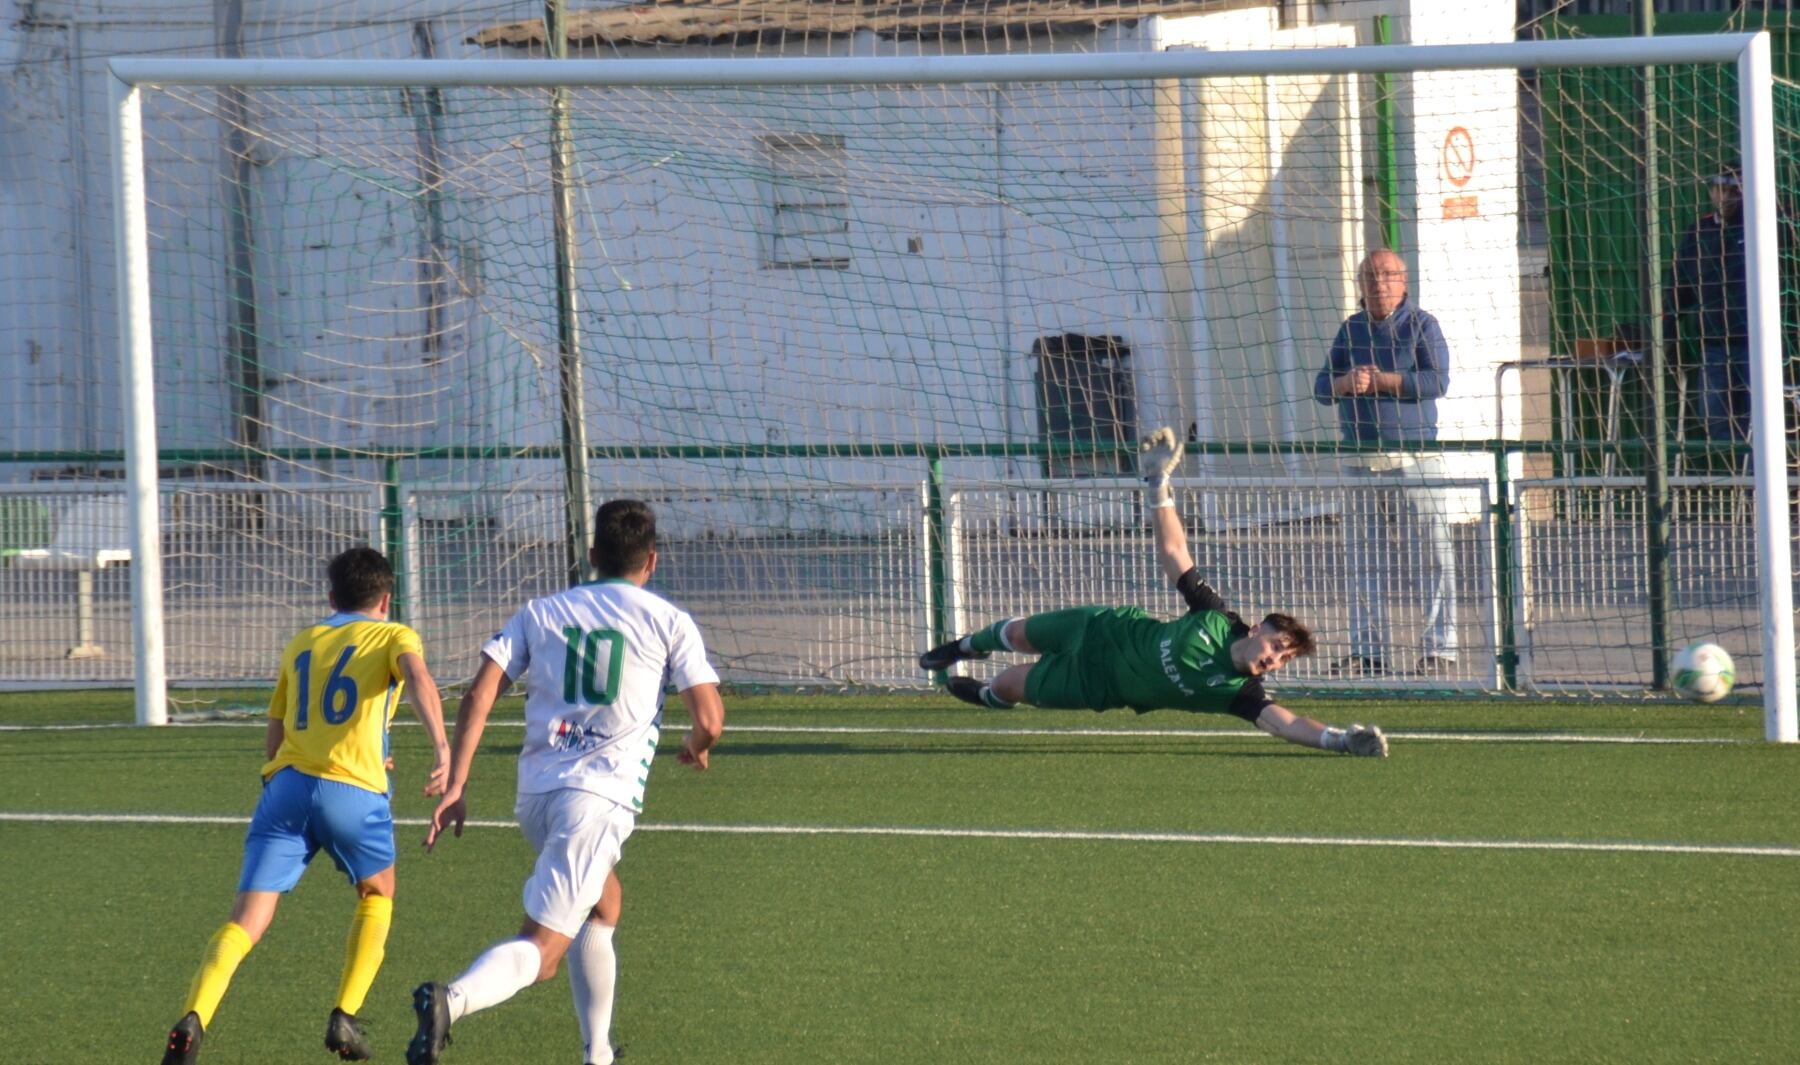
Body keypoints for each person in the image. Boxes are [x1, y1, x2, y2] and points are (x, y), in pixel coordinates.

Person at [405, 498, 726, 1065]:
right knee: (544, 952)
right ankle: (451, 1001)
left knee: (605, 906)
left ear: (592, 555)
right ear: (651, 563)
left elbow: (480, 693)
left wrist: (457, 782)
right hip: (596, 802)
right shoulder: (668, 621)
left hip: (536, 796)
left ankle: (598, 1053)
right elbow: (710, 720)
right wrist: (695, 749)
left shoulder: (541, 610)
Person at [919, 427, 1388, 758]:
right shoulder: (1217, 616)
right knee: (1020, 634)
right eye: (1276, 647)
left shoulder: (1239, 692)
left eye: (1283, 661)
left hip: (1097, 686)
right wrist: (1159, 486)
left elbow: (1283, 723)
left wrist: (1339, 740)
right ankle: (963, 647)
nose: (1274, 661)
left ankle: (983, 695)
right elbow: (1174, 551)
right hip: (1104, 630)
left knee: (1011, 684)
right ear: (1260, 626)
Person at [161, 547, 451, 1065]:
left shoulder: (302, 643)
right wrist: (442, 749)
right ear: (387, 599)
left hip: (286, 789)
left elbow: (275, 737)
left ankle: (194, 1017)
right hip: (353, 792)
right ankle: (345, 1014)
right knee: (377, 892)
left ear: (331, 597)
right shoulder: (394, 635)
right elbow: (418, 677)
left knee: (246, 919)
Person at [1311, 248, 1456, 678]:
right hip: (1360, 459)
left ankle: (1439, 649)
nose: (1379, 283)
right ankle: (1368, 651)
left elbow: (1437, 381)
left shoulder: (1422, 325)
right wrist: (1344, 383)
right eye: (1371, 276)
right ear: (1360, 284)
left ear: (1404, 281)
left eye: (1388, 275)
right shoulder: (1350, 329)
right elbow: (1321, 388)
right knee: (1362, 556)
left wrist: (1384, 381)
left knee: (1431, 553)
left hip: (1414, 459)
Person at [1664, 166, 1750, 445]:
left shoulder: (1764, 227)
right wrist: (1666, 332)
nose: (1724, 197)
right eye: (1719, 189)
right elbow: (1679, 287)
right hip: (1713, 344)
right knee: (1713, 419)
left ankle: (1758, 483)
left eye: (1732, 190)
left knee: (1759, 419)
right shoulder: (1700, 231)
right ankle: (1745, 478)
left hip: (1756, 346)